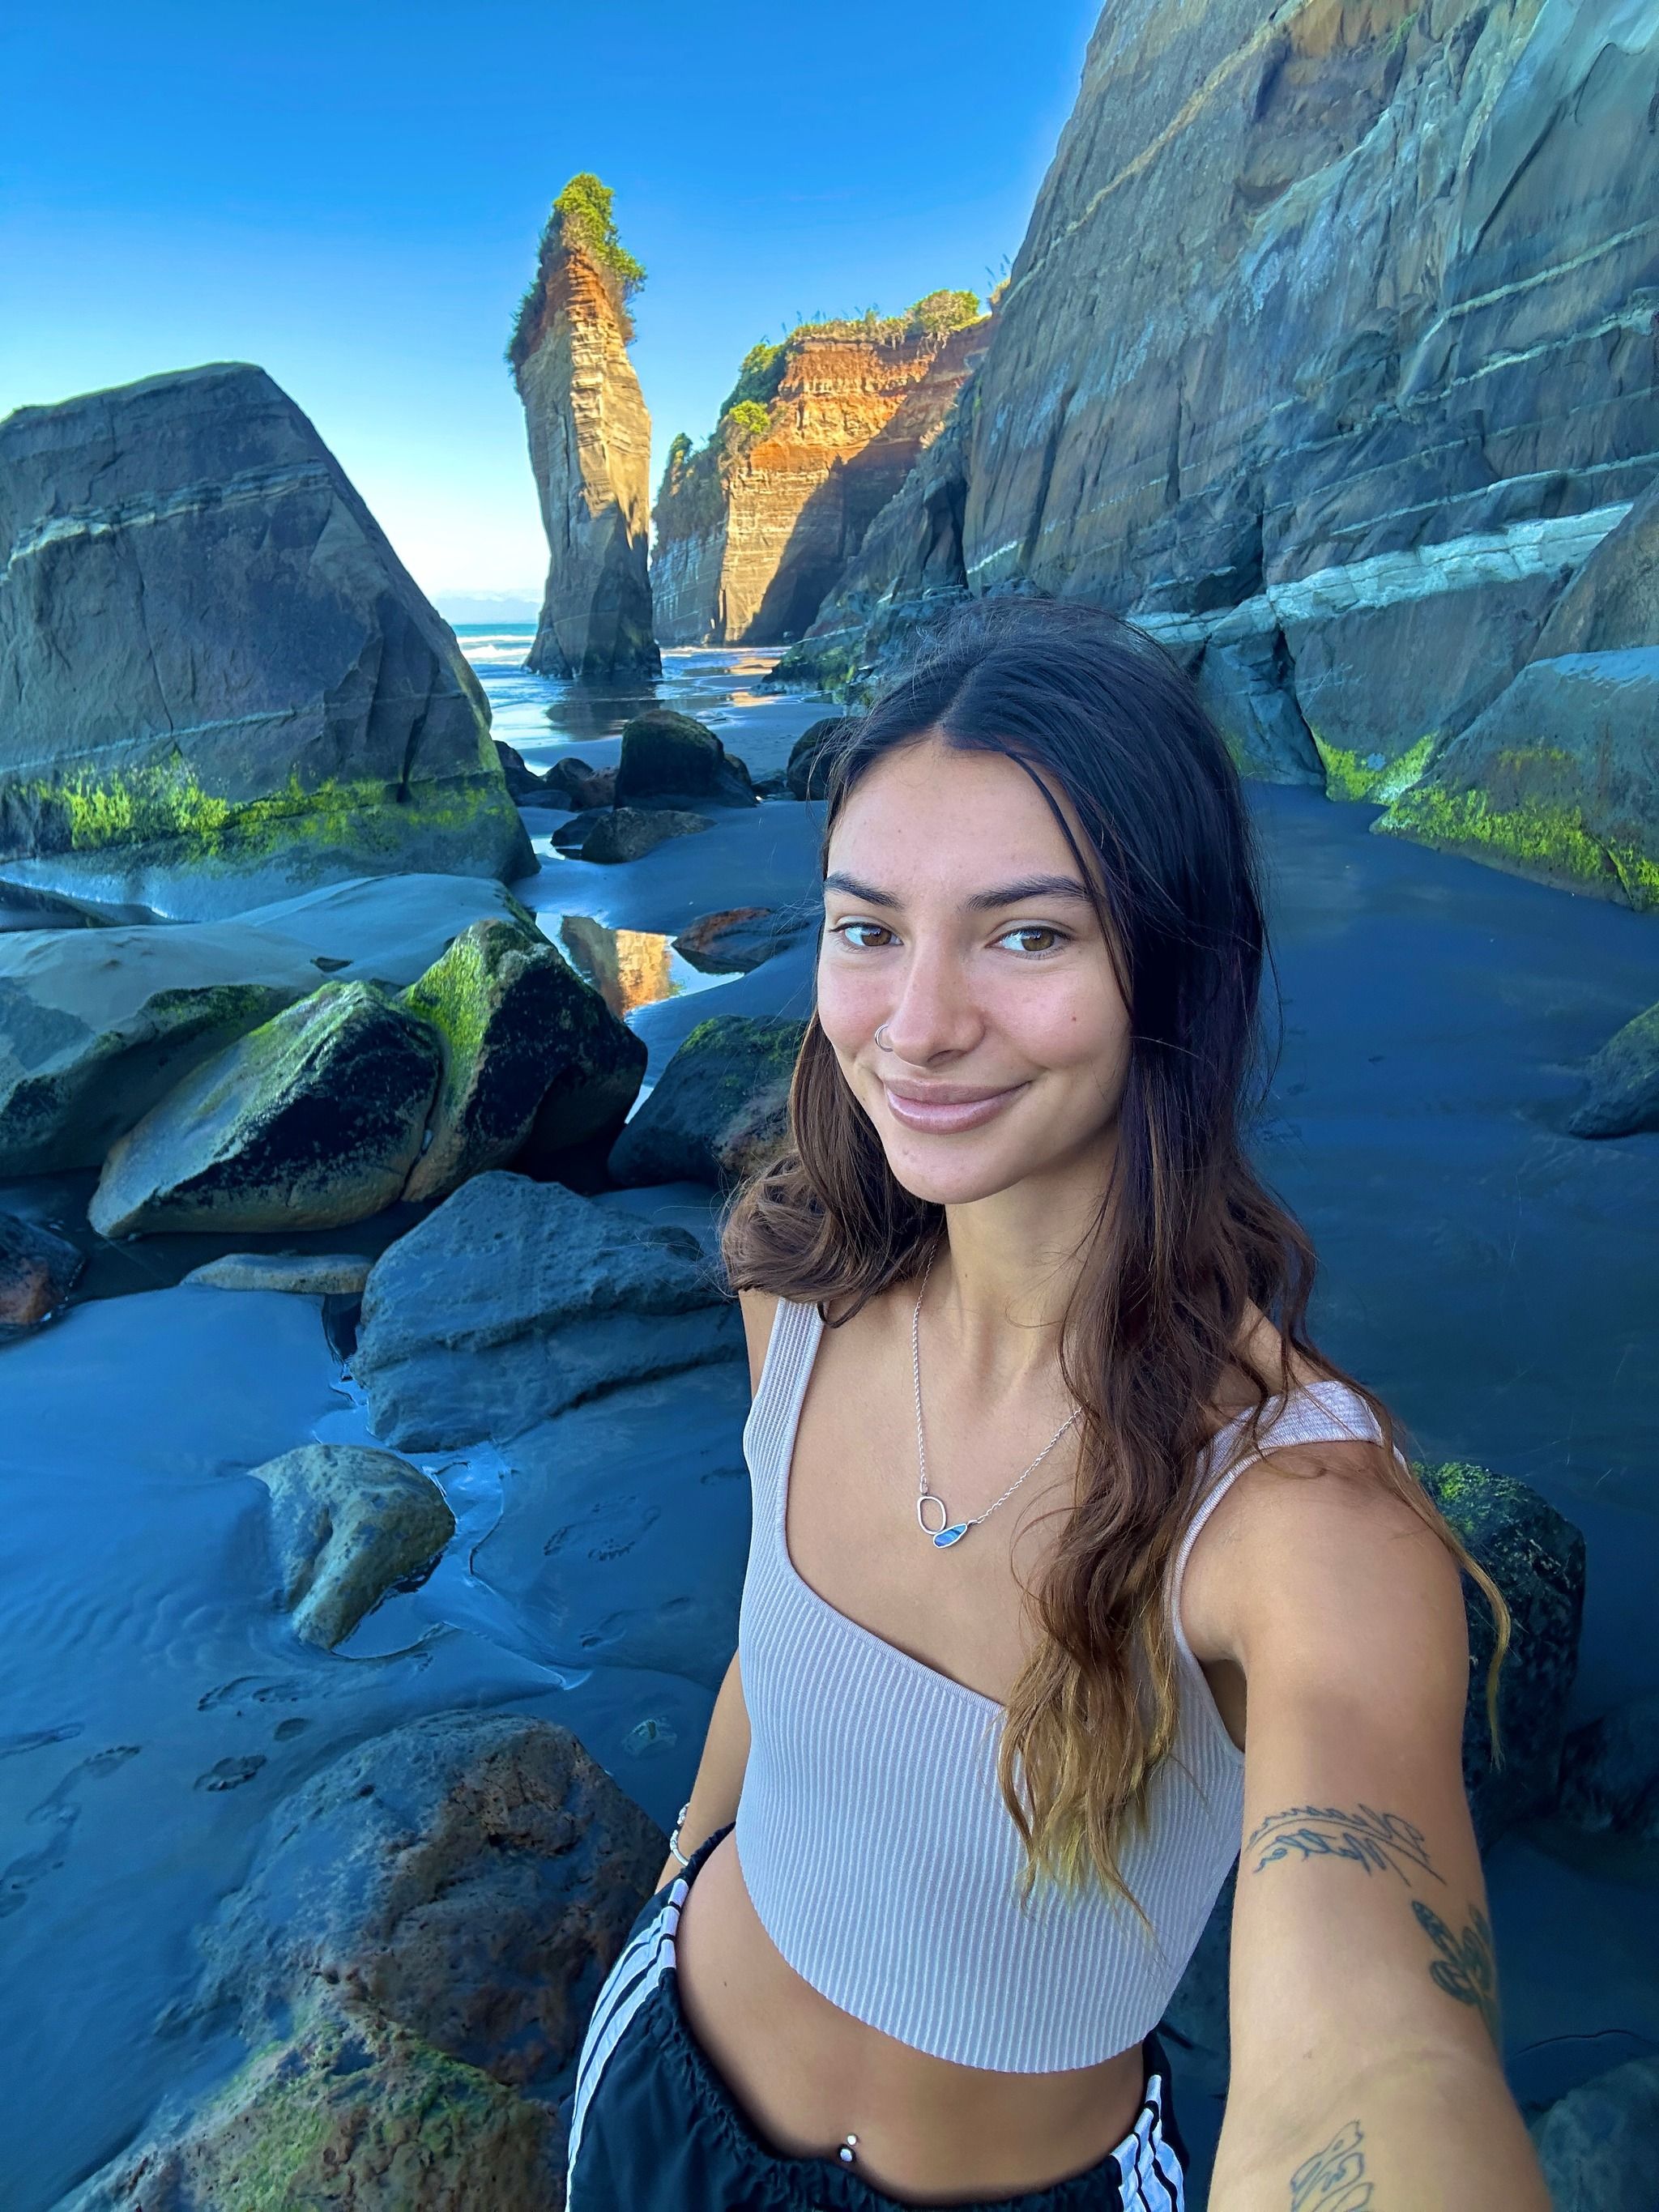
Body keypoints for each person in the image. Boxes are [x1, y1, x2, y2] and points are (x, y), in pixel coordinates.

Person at [562, 601, 1550, 2210]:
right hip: (661, 2086)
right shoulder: (796, 1295)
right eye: (867, 929)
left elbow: (1380, 2054)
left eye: (1027, 936)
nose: (918, 1025)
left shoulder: (1298, 1516)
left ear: (1177, 967)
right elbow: (772, 1639)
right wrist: (680, 1857)